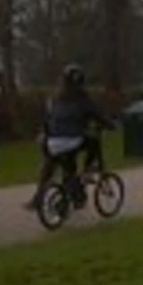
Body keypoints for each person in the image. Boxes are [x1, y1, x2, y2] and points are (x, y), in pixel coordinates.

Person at [27, 64, 113, 211]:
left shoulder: (54, 98)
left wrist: (44, 134)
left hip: (51, 141)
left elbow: (48, 118)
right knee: (93, 140)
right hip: (72, 140)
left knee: (52, 168)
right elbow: (98, 116)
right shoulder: (83, 99)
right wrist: (111, 125)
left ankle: (40, 200)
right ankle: (88, 169)